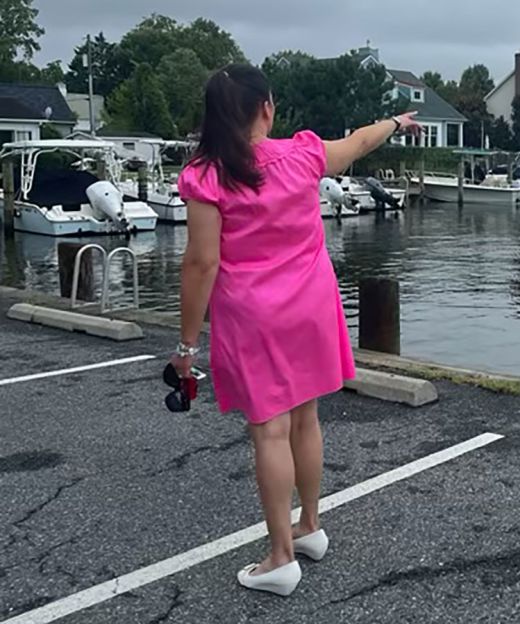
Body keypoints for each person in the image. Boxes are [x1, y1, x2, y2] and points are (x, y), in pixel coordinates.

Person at [171, 63, 420, 596]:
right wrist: (396, 123)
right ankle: (309, 526)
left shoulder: (208, 174)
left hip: (254, 315)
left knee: (270, 430)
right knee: (306, 418)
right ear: (266, 107)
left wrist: (186, 345)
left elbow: (200, 265)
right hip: (311, 304)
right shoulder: (303, 154)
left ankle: (281, 556)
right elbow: (358, 142)